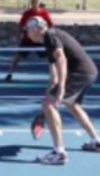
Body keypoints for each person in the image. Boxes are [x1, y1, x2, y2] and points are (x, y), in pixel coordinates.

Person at [26, 16, 100, 165]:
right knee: (72, 105)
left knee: (49, 104)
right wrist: (49, 98)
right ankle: (97, 141)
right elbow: (54, 75)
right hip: (89, 72)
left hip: (80, 73)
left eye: (27, 30)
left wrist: (61, 87)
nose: (27, 34)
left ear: (35, 29)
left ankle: (59, 152)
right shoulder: (51, 39)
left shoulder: (50, 35)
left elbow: (61, 58)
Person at [4, 0, 54, 82]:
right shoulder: (26, 14)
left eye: (36, 2)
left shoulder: (44, 13)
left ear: (39, 3)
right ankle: (10, 74)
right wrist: (19, 36)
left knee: (51, 57)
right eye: (32, 2)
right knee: (18, 56)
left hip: (40, 39)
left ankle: (55, 76)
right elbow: (21, 26)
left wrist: (47, 34)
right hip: (28, 39)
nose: (34, 4)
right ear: (31, 3)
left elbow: (51, 25)